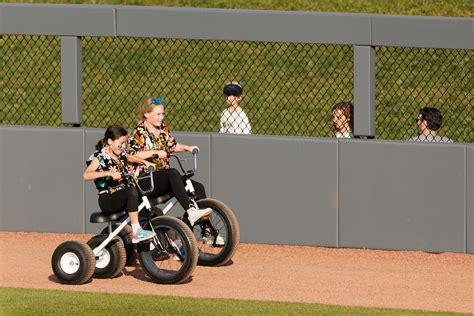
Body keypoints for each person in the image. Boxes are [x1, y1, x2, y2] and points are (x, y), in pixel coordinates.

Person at [127, 97, 212, 227]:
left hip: (162, 178)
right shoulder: (138, 132)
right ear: (146, 114)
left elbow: (172, 146)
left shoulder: (163, 129)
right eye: (158, 114)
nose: (161, 117)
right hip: (144, 179)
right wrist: (154, 153)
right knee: (173, 173)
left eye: (163, 114)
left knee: (197, 187)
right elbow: (130, 155)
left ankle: (207, 228)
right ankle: (190, 211)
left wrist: (187, 148)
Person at [83, 125, 156, 243]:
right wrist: (108, 173)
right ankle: (136, 231)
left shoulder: (120, 154)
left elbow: (129, 157)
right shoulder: (99, 157)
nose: (122, 147)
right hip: (108, 198)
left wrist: (145, 162)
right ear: (110, 141)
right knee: (132, 191)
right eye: (120, 144)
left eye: (124, 144)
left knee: (153, 210)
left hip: (122, 195)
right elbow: (86, 175)